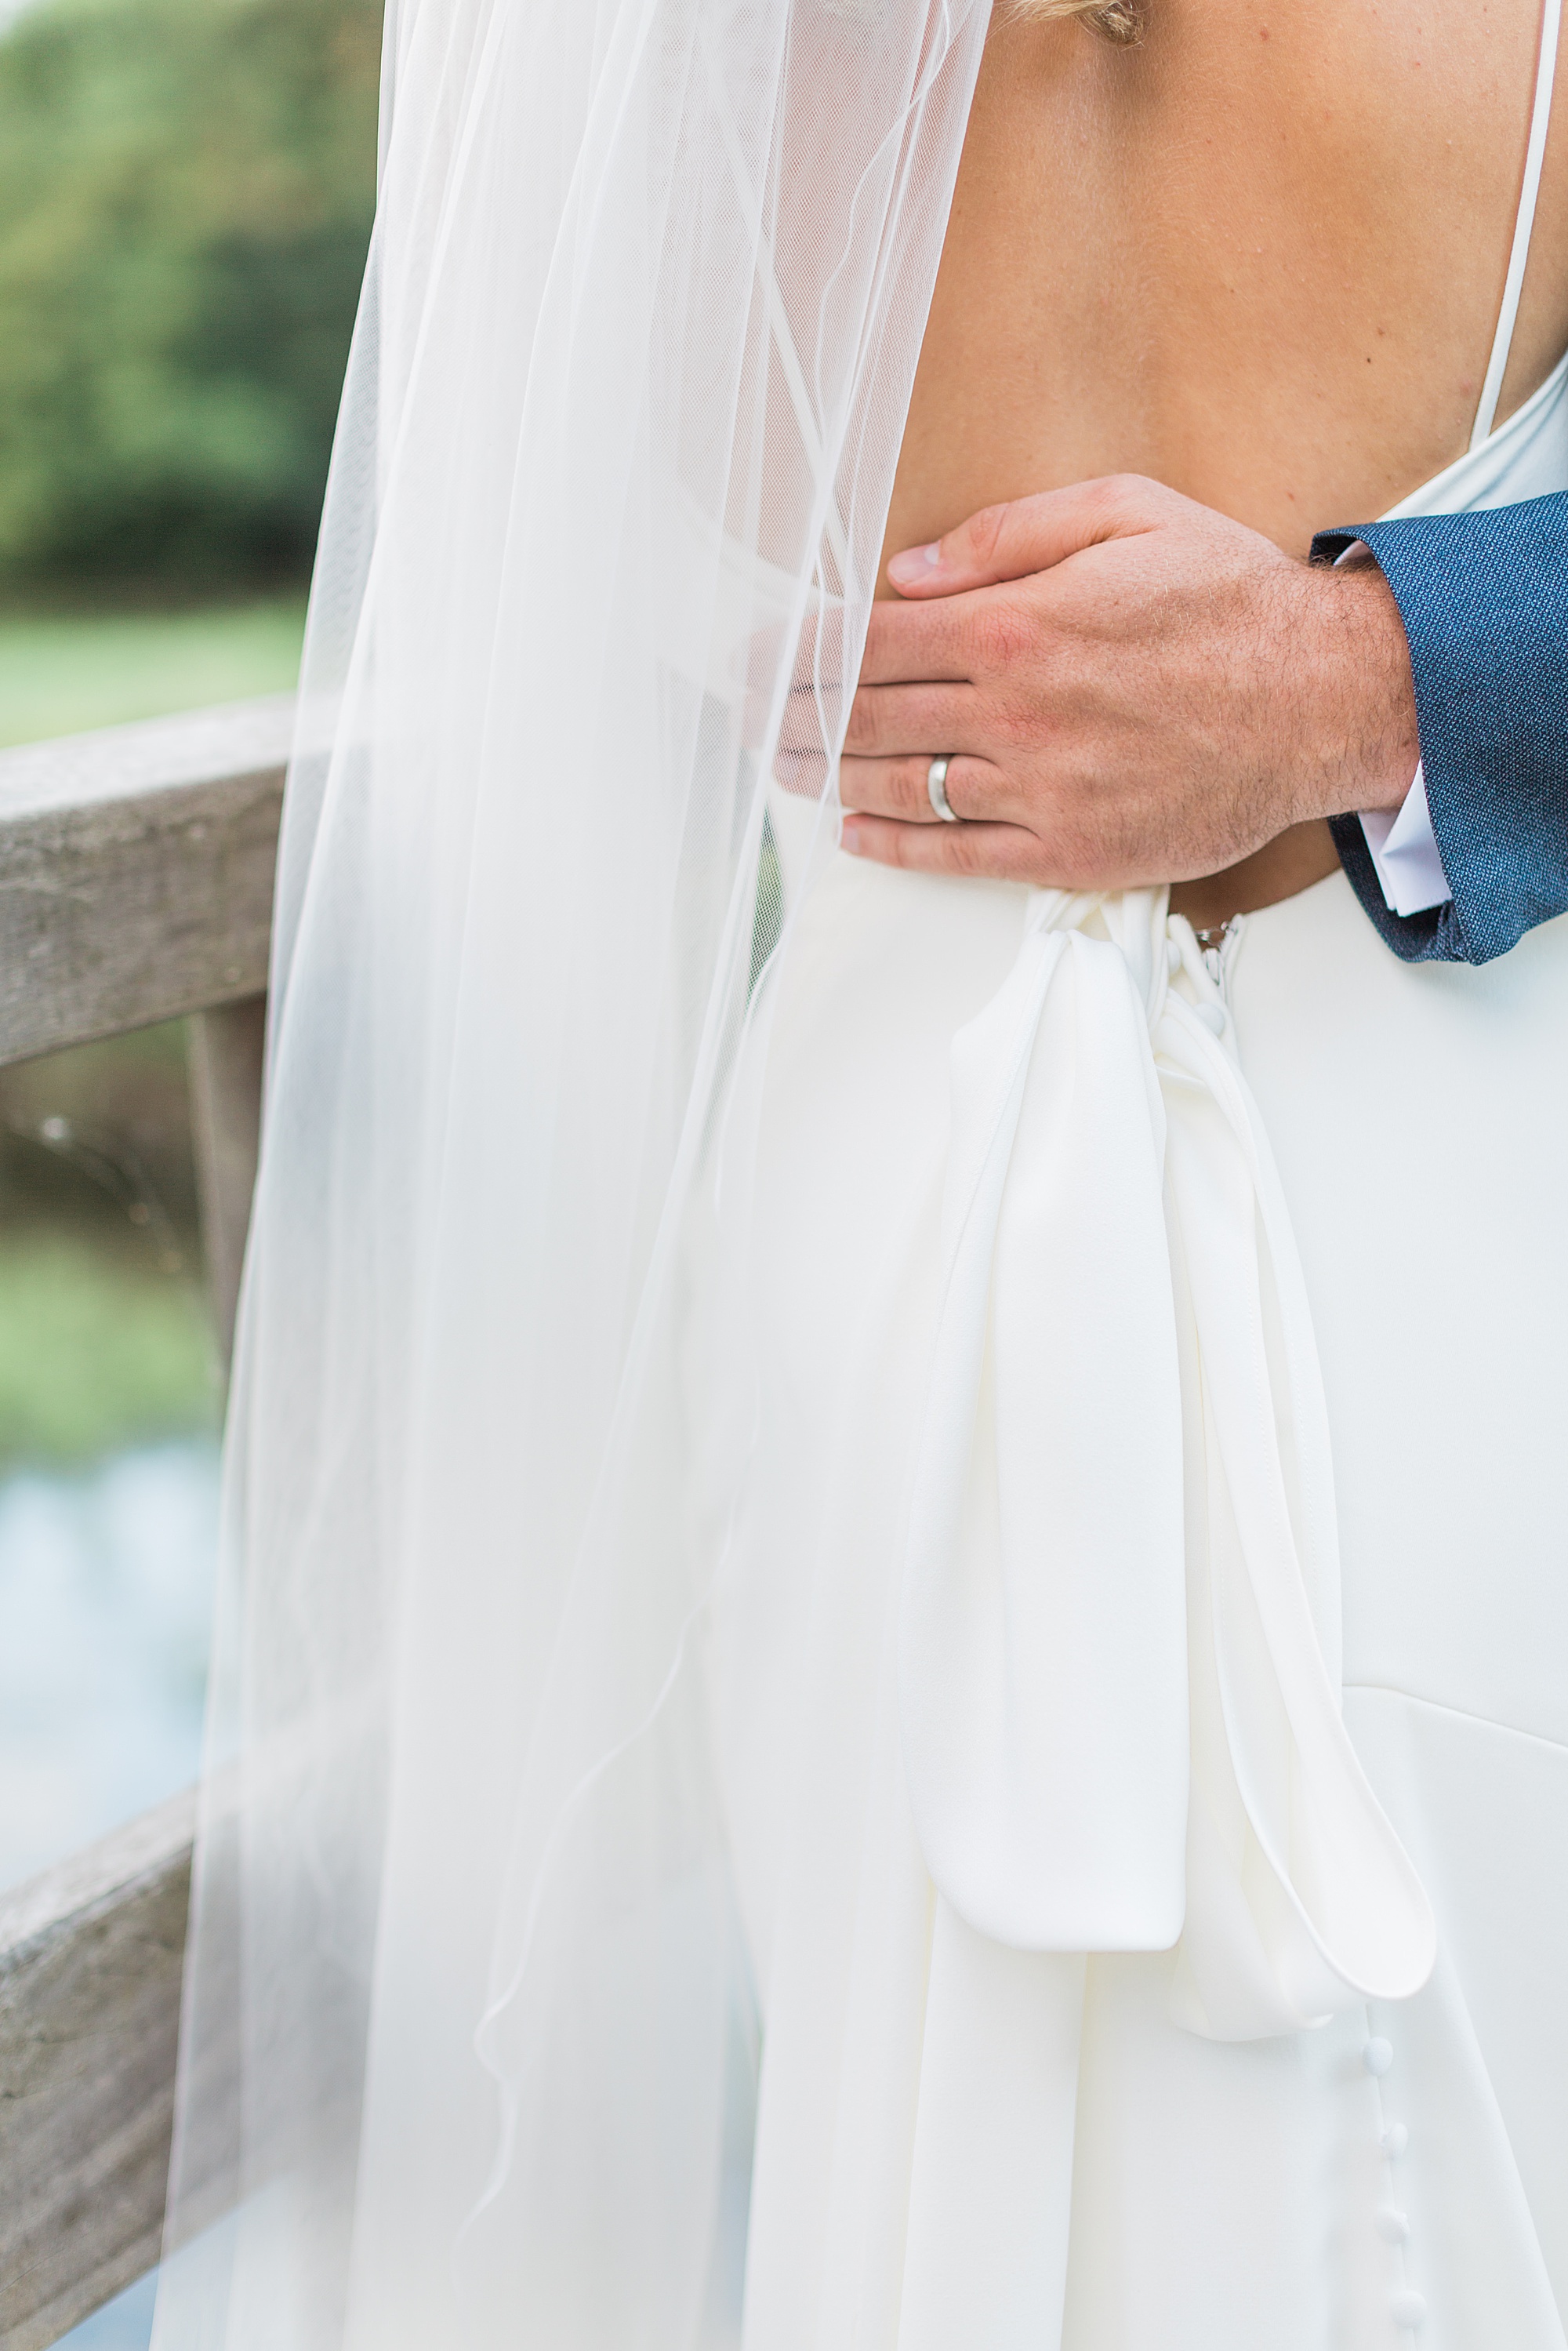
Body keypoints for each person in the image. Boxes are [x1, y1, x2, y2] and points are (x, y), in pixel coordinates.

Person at [151, 3, 1568, 2348]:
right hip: (1279, 1262)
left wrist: (1342, 676)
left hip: (918, 1267)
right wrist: (1386, 682)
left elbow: (574, 597)